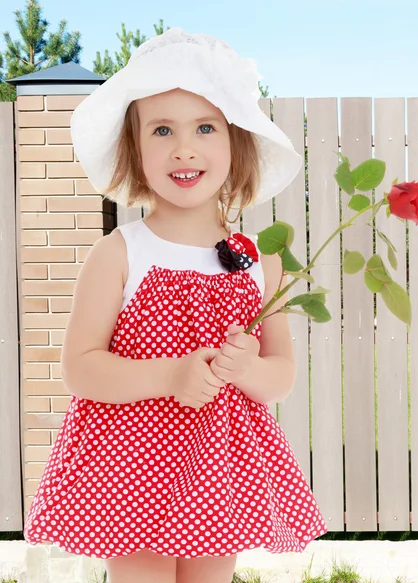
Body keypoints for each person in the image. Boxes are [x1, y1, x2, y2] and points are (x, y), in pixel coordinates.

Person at [24, 27, 327, 583]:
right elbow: (81, 368)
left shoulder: (262, 261)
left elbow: (280, 378)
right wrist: (173, 375)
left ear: (235, 142)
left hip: (219, 466)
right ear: (135, 149)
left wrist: (249, 368)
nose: (183, 148)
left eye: (205, 128)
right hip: (131, 468)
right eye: (161, 129)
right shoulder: (118, 253)